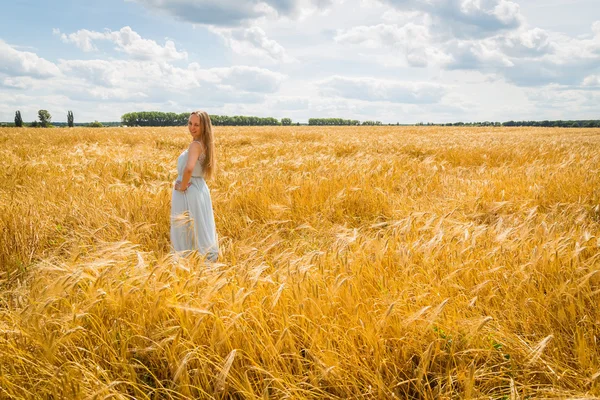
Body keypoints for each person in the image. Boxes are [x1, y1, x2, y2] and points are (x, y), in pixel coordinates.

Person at [170, 110, 219, 261]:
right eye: (190, 123)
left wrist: (182, 186)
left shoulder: (195, 145)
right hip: (200, 189)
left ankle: (185, 262)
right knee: (200, 226)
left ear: (204, 126)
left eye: (197, 124)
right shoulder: (205, 144)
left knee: (186, 229)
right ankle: (203, 263)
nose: (192, 127)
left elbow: (189, 168)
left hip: (189, 191)